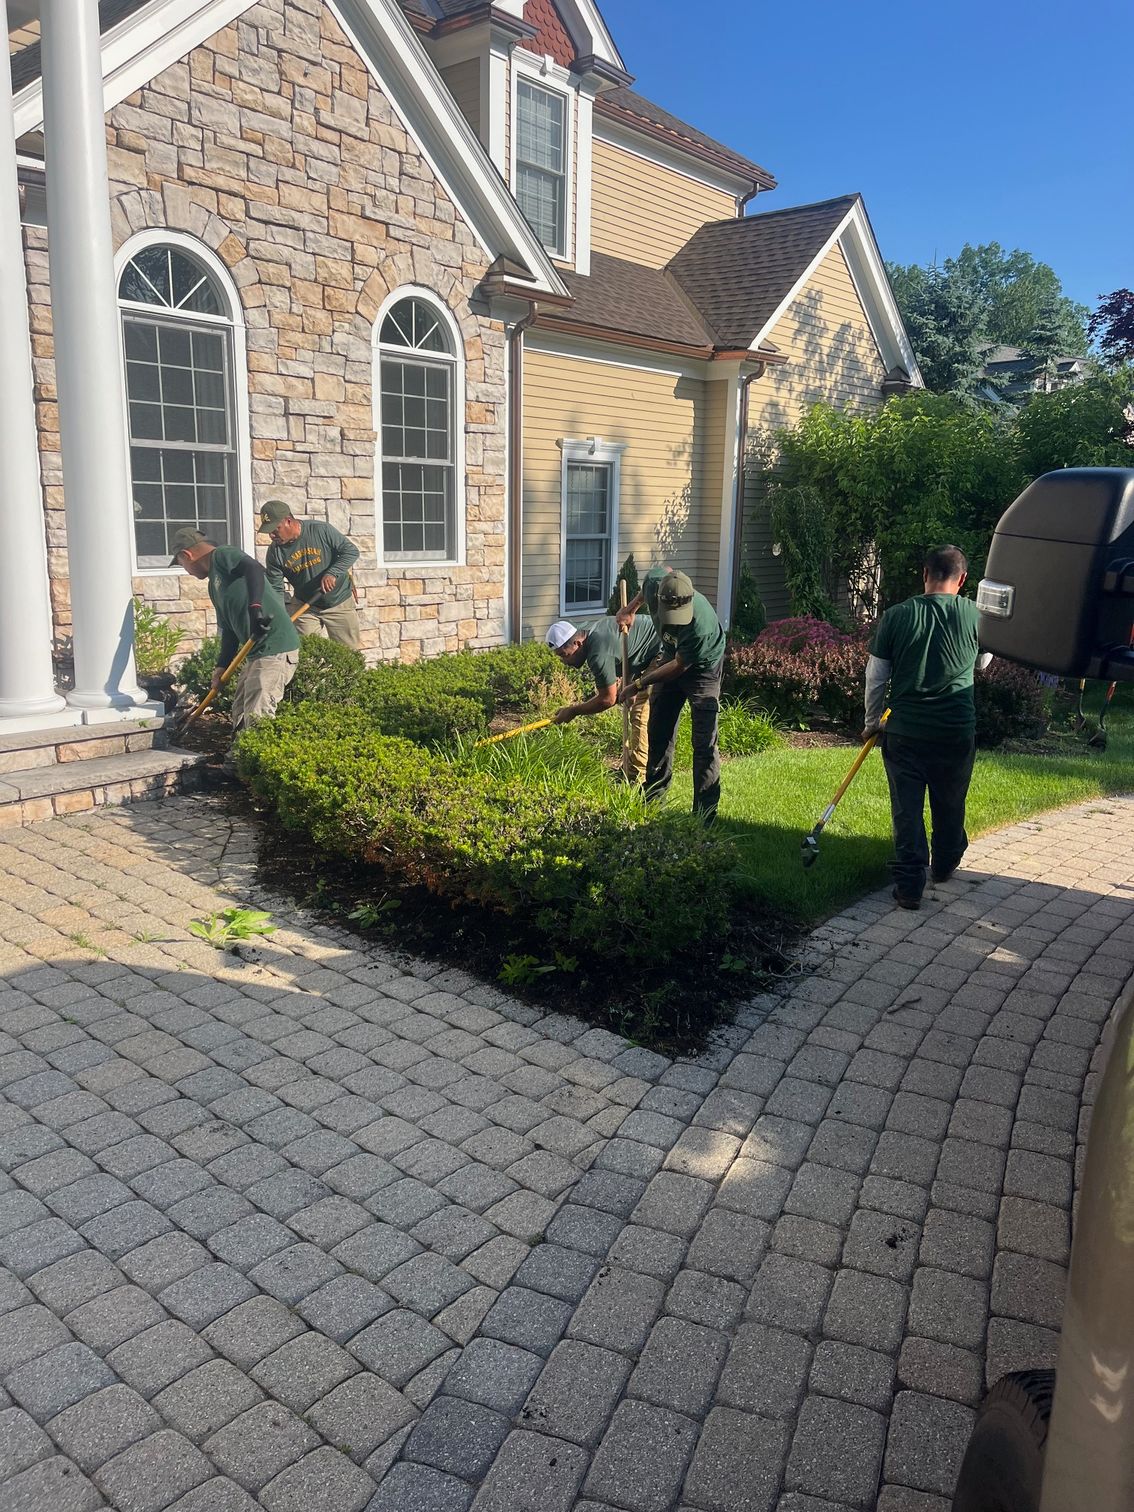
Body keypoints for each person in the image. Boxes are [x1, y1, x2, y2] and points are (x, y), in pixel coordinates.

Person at [864, 544, 991, 910]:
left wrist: (873, 723)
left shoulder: (896, 616)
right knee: (950, 802)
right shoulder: (976, 615)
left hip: (905, 733)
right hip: (956, 731)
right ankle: (947, 862)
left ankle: (909, 887)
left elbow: (876, 678)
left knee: (907, 810)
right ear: (963, 579)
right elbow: (982, 663)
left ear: (924, 574)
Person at [617, 566, 726, 821]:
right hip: (671, 656)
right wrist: (630, 610)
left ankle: (704, 817)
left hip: (701, 668)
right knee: (659, 732)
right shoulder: (656, 583)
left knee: (704, 743)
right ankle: (653, 801)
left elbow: (678, 666)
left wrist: (639, 684)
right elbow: (648, 586)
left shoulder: (700, 624)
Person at [171, 528, 299, 735]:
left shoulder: (222, 555)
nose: (186, 571)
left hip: (275, 646)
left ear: (187, 555)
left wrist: (255, 608)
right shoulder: (214, 585)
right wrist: (221, 666)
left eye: (181, 564)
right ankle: (237, 759)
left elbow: (254, 569)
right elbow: (228, 631)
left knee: (258, 712)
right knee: (240, 707)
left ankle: (254, 764)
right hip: (256, 652)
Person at [544, 614, 662, 784]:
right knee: (631, 701)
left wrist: (573, 711)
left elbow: (607, 699)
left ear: (577, 643)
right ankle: (629, 767)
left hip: (661, 649)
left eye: (564, 654)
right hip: (644, 654)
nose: (564, 661)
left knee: (639, 713)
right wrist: (628, 685)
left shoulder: (597, 651)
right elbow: (626, 655)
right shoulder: (593, 635)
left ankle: (637, 778)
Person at [258, 500, 362, 649]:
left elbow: (351, 551)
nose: (272, 536)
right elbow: (276, 589)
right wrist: (279, 619)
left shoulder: (320, 530)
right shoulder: (275, 552)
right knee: (308, 654)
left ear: (288, 521)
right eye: (269, 532)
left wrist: (332, 573)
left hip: (338, 601)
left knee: (349, 653)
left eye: (275, 529)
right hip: (306, 605)